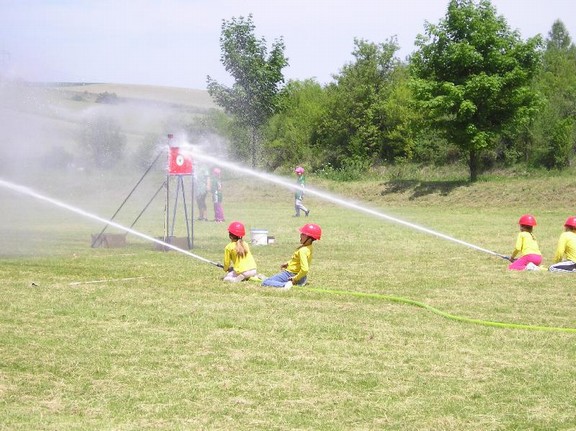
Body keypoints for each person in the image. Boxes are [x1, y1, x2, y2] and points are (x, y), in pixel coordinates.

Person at [262, 223, 322, 290]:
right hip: (301, 277)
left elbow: (305, 269)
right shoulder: (308, 248)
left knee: (265, 282)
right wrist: (288, 263)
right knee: (271, 279)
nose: (301, 235)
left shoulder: (302, 250)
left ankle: (286, 284)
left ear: (310, 238)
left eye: (303, 234)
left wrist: (295, 278)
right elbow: (298, 260)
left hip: (291, 275)